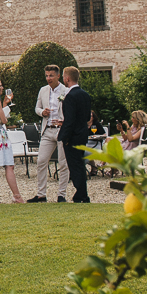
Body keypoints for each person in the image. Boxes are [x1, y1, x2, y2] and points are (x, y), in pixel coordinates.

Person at [28, 64, 70, 203]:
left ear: (58, 76)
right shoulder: (43, 90)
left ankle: (61, 194)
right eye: (46, 75)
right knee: (41, 161)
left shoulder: (66, 90)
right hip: (47, 130)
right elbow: (37, 108)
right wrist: (42, 112)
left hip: (61, 130)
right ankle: (41, 194)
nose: (48, 78)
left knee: (63, 163)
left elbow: (71, 110)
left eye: (51, 75)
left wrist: (65, 122)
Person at [58, 66, 92, 203]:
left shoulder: (70, 96)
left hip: (73, 136)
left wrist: (64, 137)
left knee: (75, 166)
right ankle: (81, 194)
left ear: (67, 78)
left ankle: (82, 195)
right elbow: (86, 117)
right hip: (83, 133)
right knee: (79, 164)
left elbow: (70, 120)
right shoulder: (85, 95)